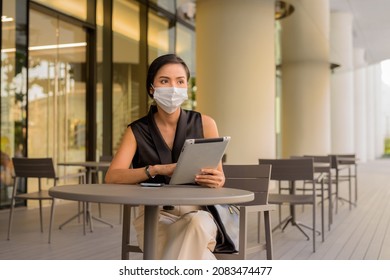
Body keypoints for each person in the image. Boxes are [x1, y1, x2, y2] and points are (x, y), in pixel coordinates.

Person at [105, 53, 225, 260]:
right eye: (164, 81)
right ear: (151, 88)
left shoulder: (206, 124)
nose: (173, 88)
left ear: (187, 87)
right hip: (154, 217)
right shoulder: (136, 131)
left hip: (199, 214)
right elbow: (112, 176)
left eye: (180, 81)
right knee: (202, 258)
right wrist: (156, 169)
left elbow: (220, 177)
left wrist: (218, 180)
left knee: (197, 224)